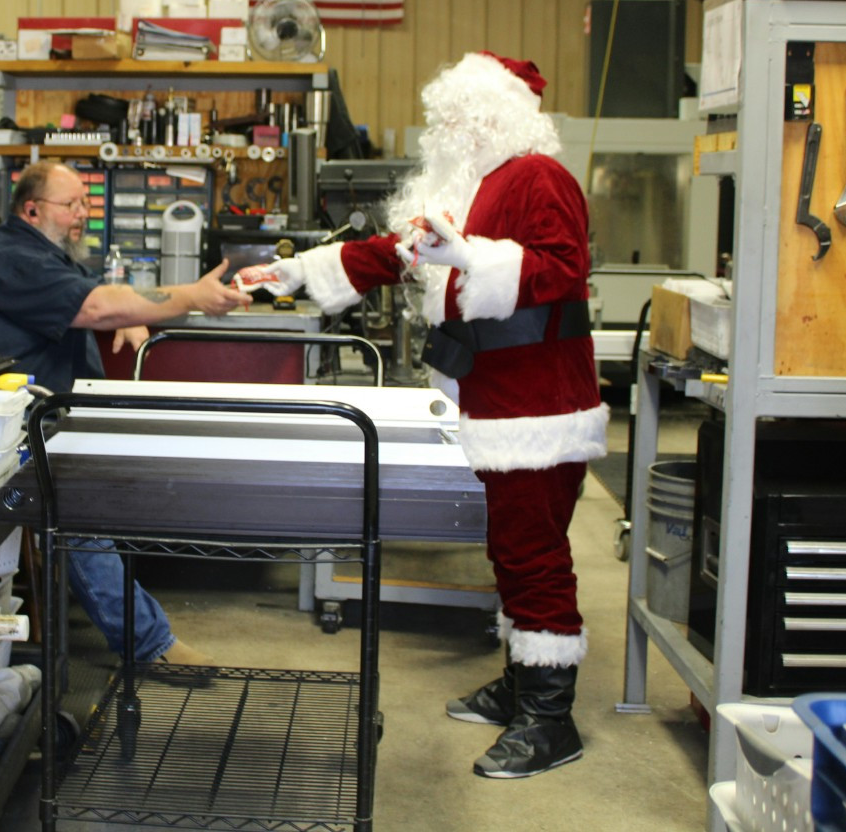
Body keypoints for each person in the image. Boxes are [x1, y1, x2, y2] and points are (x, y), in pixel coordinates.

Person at [238, 52, 606, 778]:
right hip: (498, 395)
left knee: (534, 554)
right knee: (512, 548)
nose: (444, 129)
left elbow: (561, 269)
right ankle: (521, 682)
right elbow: (393, 255)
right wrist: (293, 274)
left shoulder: (538, 177)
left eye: (457, 116)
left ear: (496, 117)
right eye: (443, 117)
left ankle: (549, 718)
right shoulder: (472, 186)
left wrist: (470, 254)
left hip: (540, 403)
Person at [0, 161, 250, 666]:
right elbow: (96, 306)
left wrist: (132, 315)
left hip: (50, 417)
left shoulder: (40, 250)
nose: (81, 215)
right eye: (72, 206)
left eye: (85, 204)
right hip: (8, 434)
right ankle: (148, 644)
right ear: (32, 209)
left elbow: (94, 292)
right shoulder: (14, 257)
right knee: (78, 513)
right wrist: (188, 297)